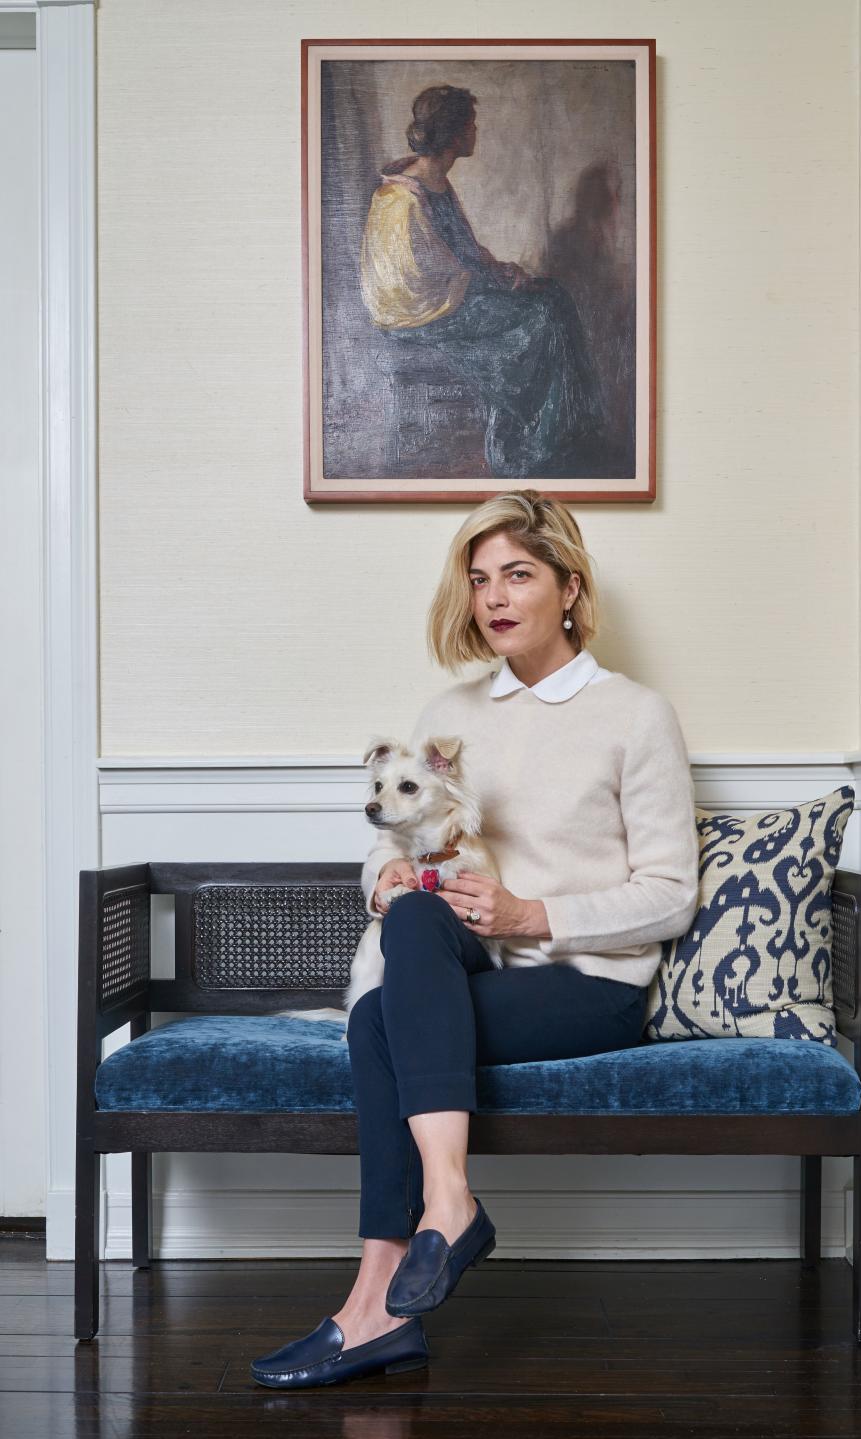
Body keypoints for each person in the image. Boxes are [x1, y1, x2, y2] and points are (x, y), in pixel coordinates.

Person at [250, 489, 700, 1388]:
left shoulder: (635, 714)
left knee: (376, 1022)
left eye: (519, 575)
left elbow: (673, 895)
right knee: (413, 914)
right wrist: (379, 878)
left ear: (569, 588)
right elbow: (395, 832)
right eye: (480, 578)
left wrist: (533, 914)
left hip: (587, 982)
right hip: (464, 962)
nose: (495, 596)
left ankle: (375, 1304)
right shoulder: (452, 711)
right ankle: (446, 1205)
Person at [359, 85, 615, 479]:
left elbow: (464, 251)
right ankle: (537, 443)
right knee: (540, 317)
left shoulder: (439, 184)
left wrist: (501, 271)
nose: (476, 132)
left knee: (555, 295)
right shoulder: (399, 199)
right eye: (471, 125)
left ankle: (571, 427)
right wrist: (489, 282)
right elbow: (412, 281)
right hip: (425, 314)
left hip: (458, 294)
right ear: (455, 134)